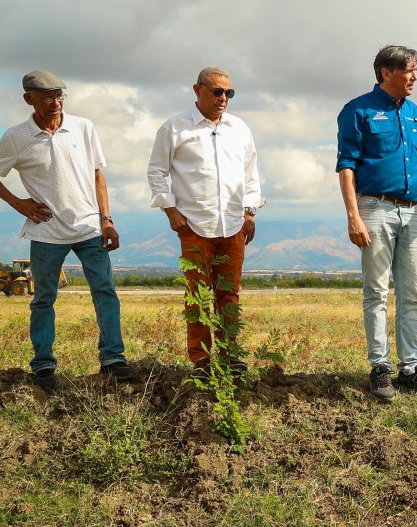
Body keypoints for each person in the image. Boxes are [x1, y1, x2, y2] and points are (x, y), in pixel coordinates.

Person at [0, 70, 137, 391]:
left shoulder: (83, 127)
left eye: (60, 95)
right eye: (47, 96)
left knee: (105, 293)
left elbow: (98, 175)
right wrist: (20, 204)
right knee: (43, 299)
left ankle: (113, 359)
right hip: (46, 232)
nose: (56, 102)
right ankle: (44, 366)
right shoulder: (15, 138)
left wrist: (107, 220)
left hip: (90, 227)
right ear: (28, 99)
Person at [336, 45, 417, 402]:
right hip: (375, 209)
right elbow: (346, 166)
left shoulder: (415, 112)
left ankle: (411, 368)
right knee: (377, 291)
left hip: (414, 212)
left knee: (412, 291)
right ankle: (380, 367)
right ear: (387, 72)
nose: (414, 77)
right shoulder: (357, 111)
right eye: (409, 70)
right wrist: (354, 216)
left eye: (416, 71)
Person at [148, 66, 264, 376]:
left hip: (233, 225)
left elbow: (251, 175)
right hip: (193, 225)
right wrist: (170, 210)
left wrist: (250, 211)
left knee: (230, 292)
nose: (223, 98)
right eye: (217, 91)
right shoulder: (174, 128)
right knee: (197, 294)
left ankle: (230, 354)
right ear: (197, 89)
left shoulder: (240, 129)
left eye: (229, 92)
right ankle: (200, 359)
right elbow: (157, 171)